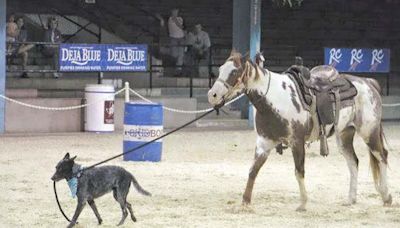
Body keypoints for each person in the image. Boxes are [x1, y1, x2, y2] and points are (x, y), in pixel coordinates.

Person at [167, 8, 185, 74]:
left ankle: (179, 69)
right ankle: (174, 66)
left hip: (181, 38)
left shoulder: (180, 18)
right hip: (173, 38)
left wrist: (175, 19)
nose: (175, 13)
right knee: (174, 54)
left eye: (176, 11)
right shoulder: (169, 18)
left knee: (181, 54)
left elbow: (181, 26)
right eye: (174, 11)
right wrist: (161, 20)